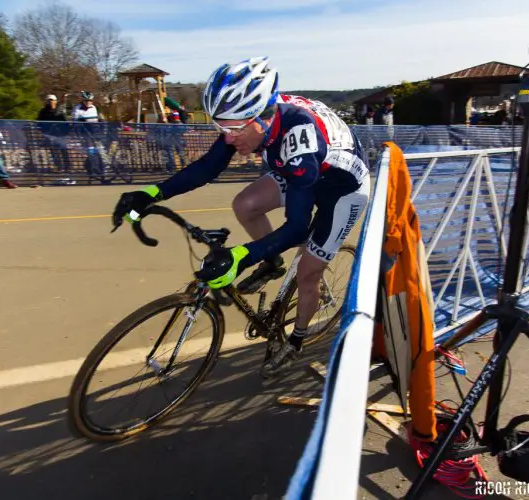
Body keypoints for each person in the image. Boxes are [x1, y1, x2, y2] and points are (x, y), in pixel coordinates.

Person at [111, 57, 370, 378]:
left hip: (342, 189)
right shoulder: (250, 118)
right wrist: (153, 193)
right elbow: (209, 167)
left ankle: (297, 340)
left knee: (307, 271)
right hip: (303, 171)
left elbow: (296, 226)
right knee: (245, 203)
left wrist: (241, 256)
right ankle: (272, 262)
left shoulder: (298, 140)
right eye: (220, 127)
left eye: (233, 129)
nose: (228, 138)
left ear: (261, 117)